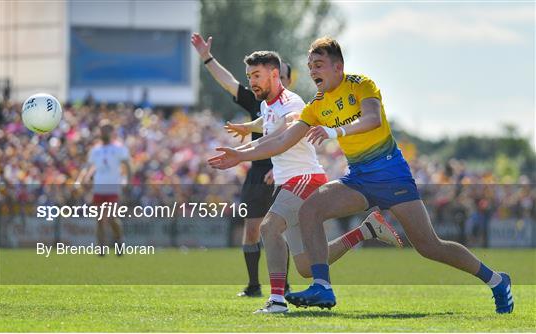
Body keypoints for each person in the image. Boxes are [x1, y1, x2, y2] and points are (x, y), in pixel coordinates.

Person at [208, 37, 514, 314]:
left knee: (429, 246)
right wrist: (242, 154)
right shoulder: (316, 105)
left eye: (319, 65)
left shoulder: (361, 84)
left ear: (338, 67)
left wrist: (335, 130)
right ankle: (323, 287)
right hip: (358, 179)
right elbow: (281, 140)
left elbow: (371, 118)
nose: (313, 71)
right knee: (311, 208)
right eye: (310, 66)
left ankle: (497, 281)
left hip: (392, 177)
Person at [212, 50, 403, 314]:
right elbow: (268, 127)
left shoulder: (292, 102)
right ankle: (366, 231)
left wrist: (241, 155)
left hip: (304, 179)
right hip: (290, 182)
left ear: (274, 74)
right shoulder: (267, 105)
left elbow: (281, 132)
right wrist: (249, 130)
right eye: (249, 76)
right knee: (305, 267)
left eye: (256, 75)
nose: (251, 81)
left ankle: (277, 300)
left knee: (268, 228)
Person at [191, 33, 293, 297]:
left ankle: (284, 285)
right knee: (252, 230)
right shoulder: (258, 102)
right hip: (258, 170)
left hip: (284, 170)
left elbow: (296, 139)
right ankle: (253, 285)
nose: (271, 79)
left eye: (279, 75)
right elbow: (229, 82)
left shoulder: (292, 105)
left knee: (280, 230)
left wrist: (279, 166)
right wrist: (206, 57)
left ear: (284, 79)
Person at [76, 120, 132, 255]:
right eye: (102, 129)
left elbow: (127, 165)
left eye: (107, 129)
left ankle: (119, 240)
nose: (104, 132)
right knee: (100, 219)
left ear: (112, 132)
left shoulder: (119, 148)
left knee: (112, 217)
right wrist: (82, 179)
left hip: (113, 188)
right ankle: (101, 248)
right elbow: (89, 167)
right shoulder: (96, 150)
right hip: (99, 188)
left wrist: (127, 180)